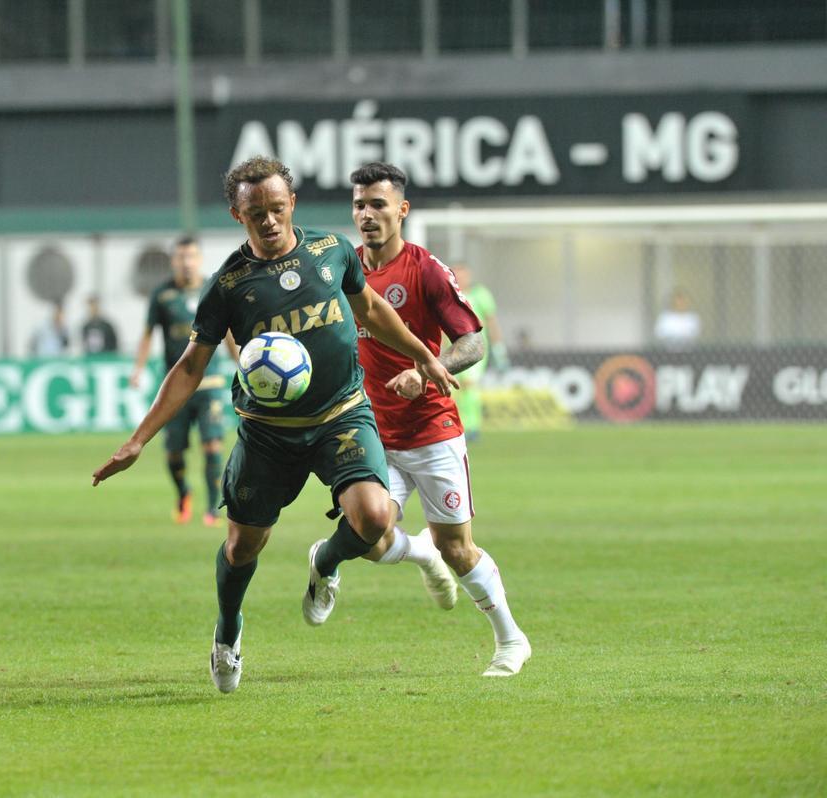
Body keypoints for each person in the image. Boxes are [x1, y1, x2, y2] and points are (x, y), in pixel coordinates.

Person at [93, 157, 458, 693]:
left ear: (292, 205)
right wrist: (137, 440)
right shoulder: (228, 285)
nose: (268, 221)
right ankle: (228, 630)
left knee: (376, 516)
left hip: (341, 415)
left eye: (277, 208)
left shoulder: (331, 254)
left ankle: (325, 562)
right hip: (268, 432)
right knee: (243, 547)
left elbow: (373, 311)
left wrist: (422, 355)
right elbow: (191, 365)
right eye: (255, 212)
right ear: (237, 214)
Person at [348, 164, 531, 676]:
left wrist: (425, 374)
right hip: (373, 434)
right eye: (360, 204)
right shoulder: (343, 271)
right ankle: (422, 557)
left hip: (431, 431)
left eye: (378, 204)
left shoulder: (425, 270)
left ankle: (511, 641)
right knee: (364, 535)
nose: (367, 214)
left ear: (401, 210)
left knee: (457, 547)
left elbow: (473, 342)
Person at [129, 237, 237, 526]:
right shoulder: (162, 295)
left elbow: (226, 331)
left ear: (199, 259)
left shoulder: (211, 288)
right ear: (174, 261)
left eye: (191, 257)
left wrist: (242, 363)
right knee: (174, 452)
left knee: (212, 446)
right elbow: (148, 333)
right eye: (180, 257)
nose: (186, 262)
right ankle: (183, 492)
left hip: (210, 383)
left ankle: (212, 507)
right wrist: (138, 369)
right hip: (176, 387)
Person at [450, 261, 508, 442]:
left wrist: (499, 348)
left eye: (463, 274)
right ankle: (459, 426)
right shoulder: (449, 294)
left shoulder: (481, 294)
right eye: (456, 274)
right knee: (455, 388)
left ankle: (472, 427)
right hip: (452, 347)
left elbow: (491, 321)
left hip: (475, 346)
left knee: (469, 384)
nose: (460, 278)